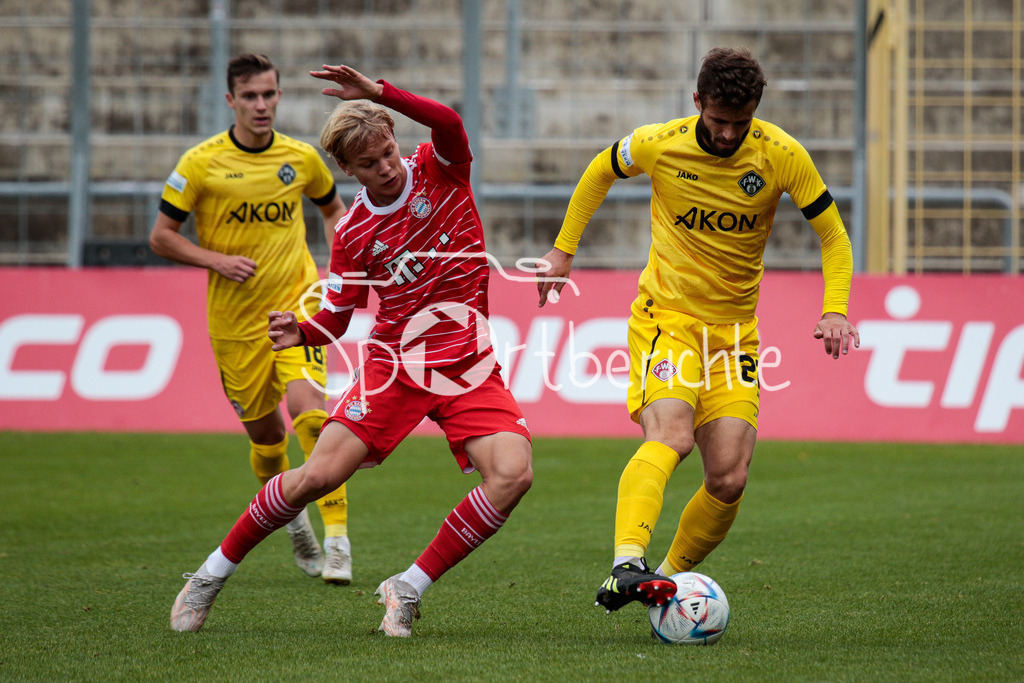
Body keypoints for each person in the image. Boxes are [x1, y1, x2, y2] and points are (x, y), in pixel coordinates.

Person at [169, 64, 533, 637]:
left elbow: (451, 121)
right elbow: (338, 311)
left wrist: (380, 93)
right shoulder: (355, 231)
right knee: (316, 476)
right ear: (348, 170)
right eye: (369, 163)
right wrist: (304, 332)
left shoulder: (442, 170)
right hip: (394, 368)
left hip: (467, 363)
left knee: (513, 475)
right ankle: (210, 575)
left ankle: (407, 586)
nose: (385, 168)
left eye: (388, 152)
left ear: (396, 142)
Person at [536, 47, 860, 613]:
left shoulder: (782, 154)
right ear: (697, 104)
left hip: (735, 335)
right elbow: (599, 171)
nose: (730, 134)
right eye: (719, 121)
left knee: (730, 478)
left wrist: (836, 308)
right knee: (672, 437)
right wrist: (564, 252)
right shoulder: (661, 143)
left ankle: (662, 583)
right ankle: (625, 564)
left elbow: (833, 236)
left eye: (742, 122)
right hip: (669, 319)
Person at [150, 53, 353, 584]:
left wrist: (339, 268)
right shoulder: (200, 163)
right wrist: (215, 260)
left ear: (279, 95)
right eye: (250, 96)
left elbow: (333, 210)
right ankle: (295, 524)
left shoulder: (302, 158)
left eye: (269, 94)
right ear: (231, 100)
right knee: (267, 441)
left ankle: (338, 540)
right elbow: (161, 236)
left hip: (299, 305)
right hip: (236, 323)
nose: (261, 105)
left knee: (311, 415)